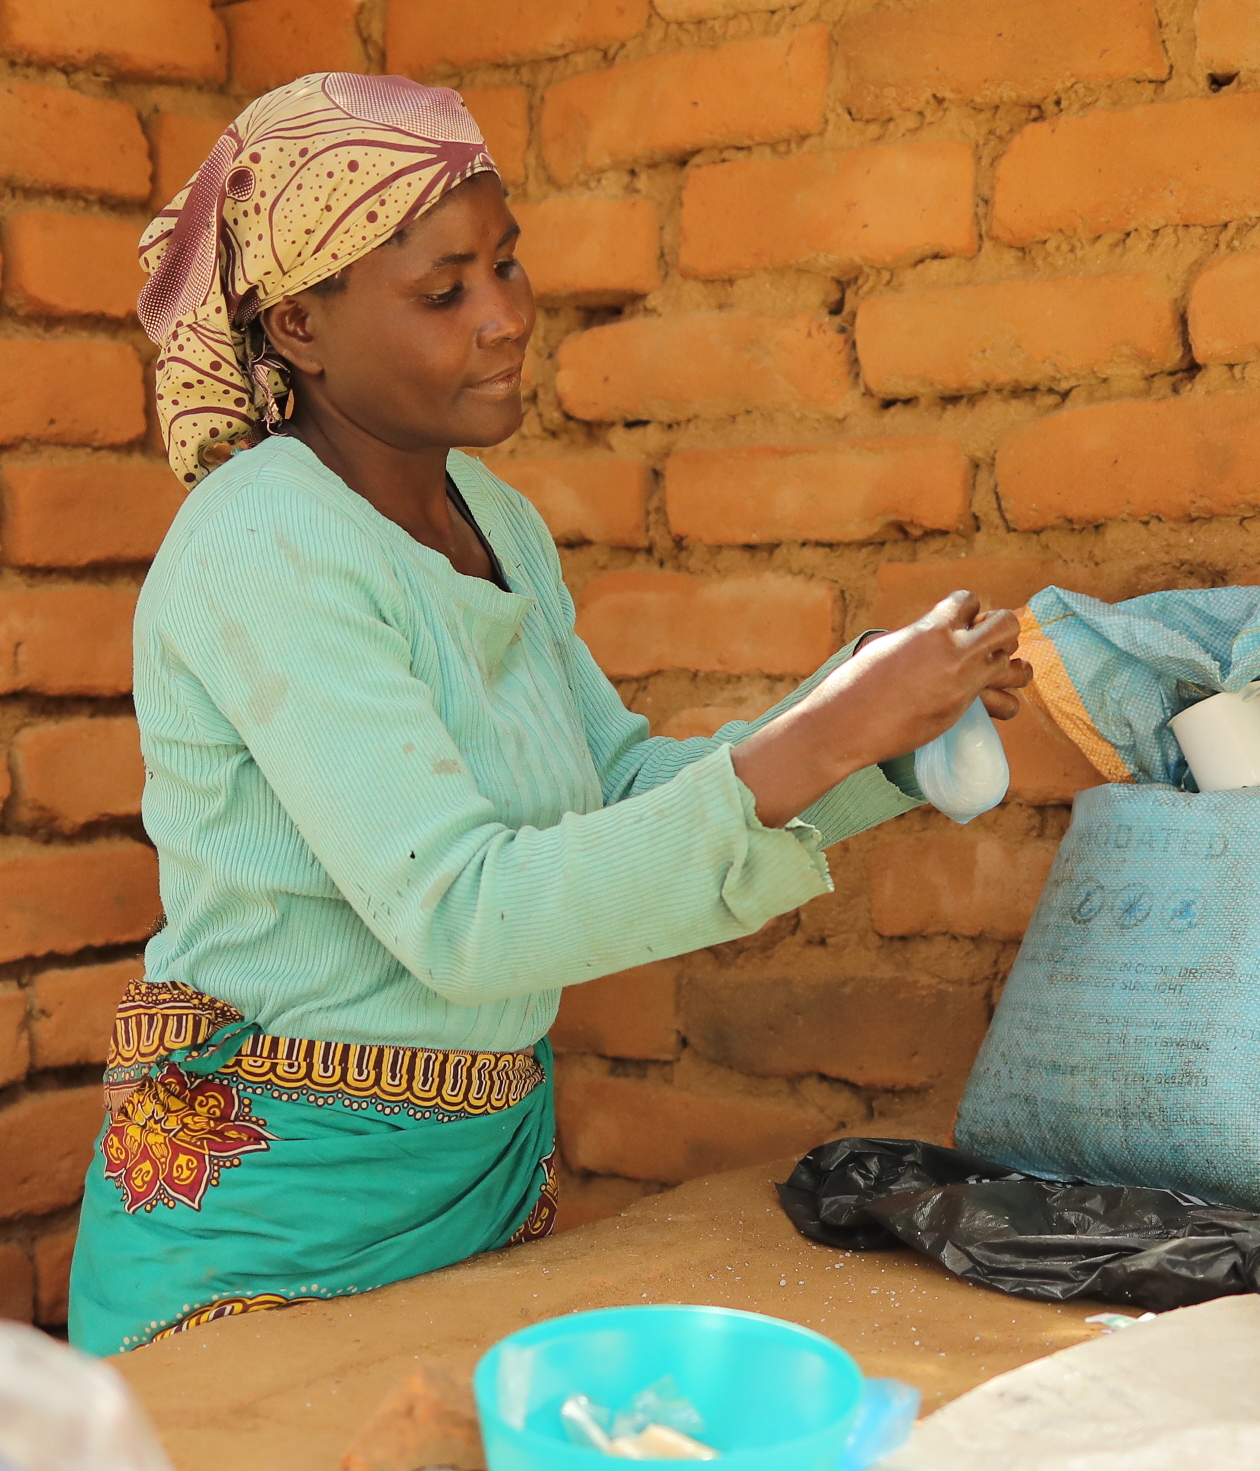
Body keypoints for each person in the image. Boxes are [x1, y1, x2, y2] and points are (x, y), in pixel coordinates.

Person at [70, 70, 1029, 1356]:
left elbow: (620, 782)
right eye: (443, 290)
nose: (504, 317)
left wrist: (885, 737)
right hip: (272, 1220)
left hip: (472, 1179)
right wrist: (834, 727)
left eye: (508, 267)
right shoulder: (263, 537)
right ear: (299, 324)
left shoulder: (493, 520)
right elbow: (466, 915)